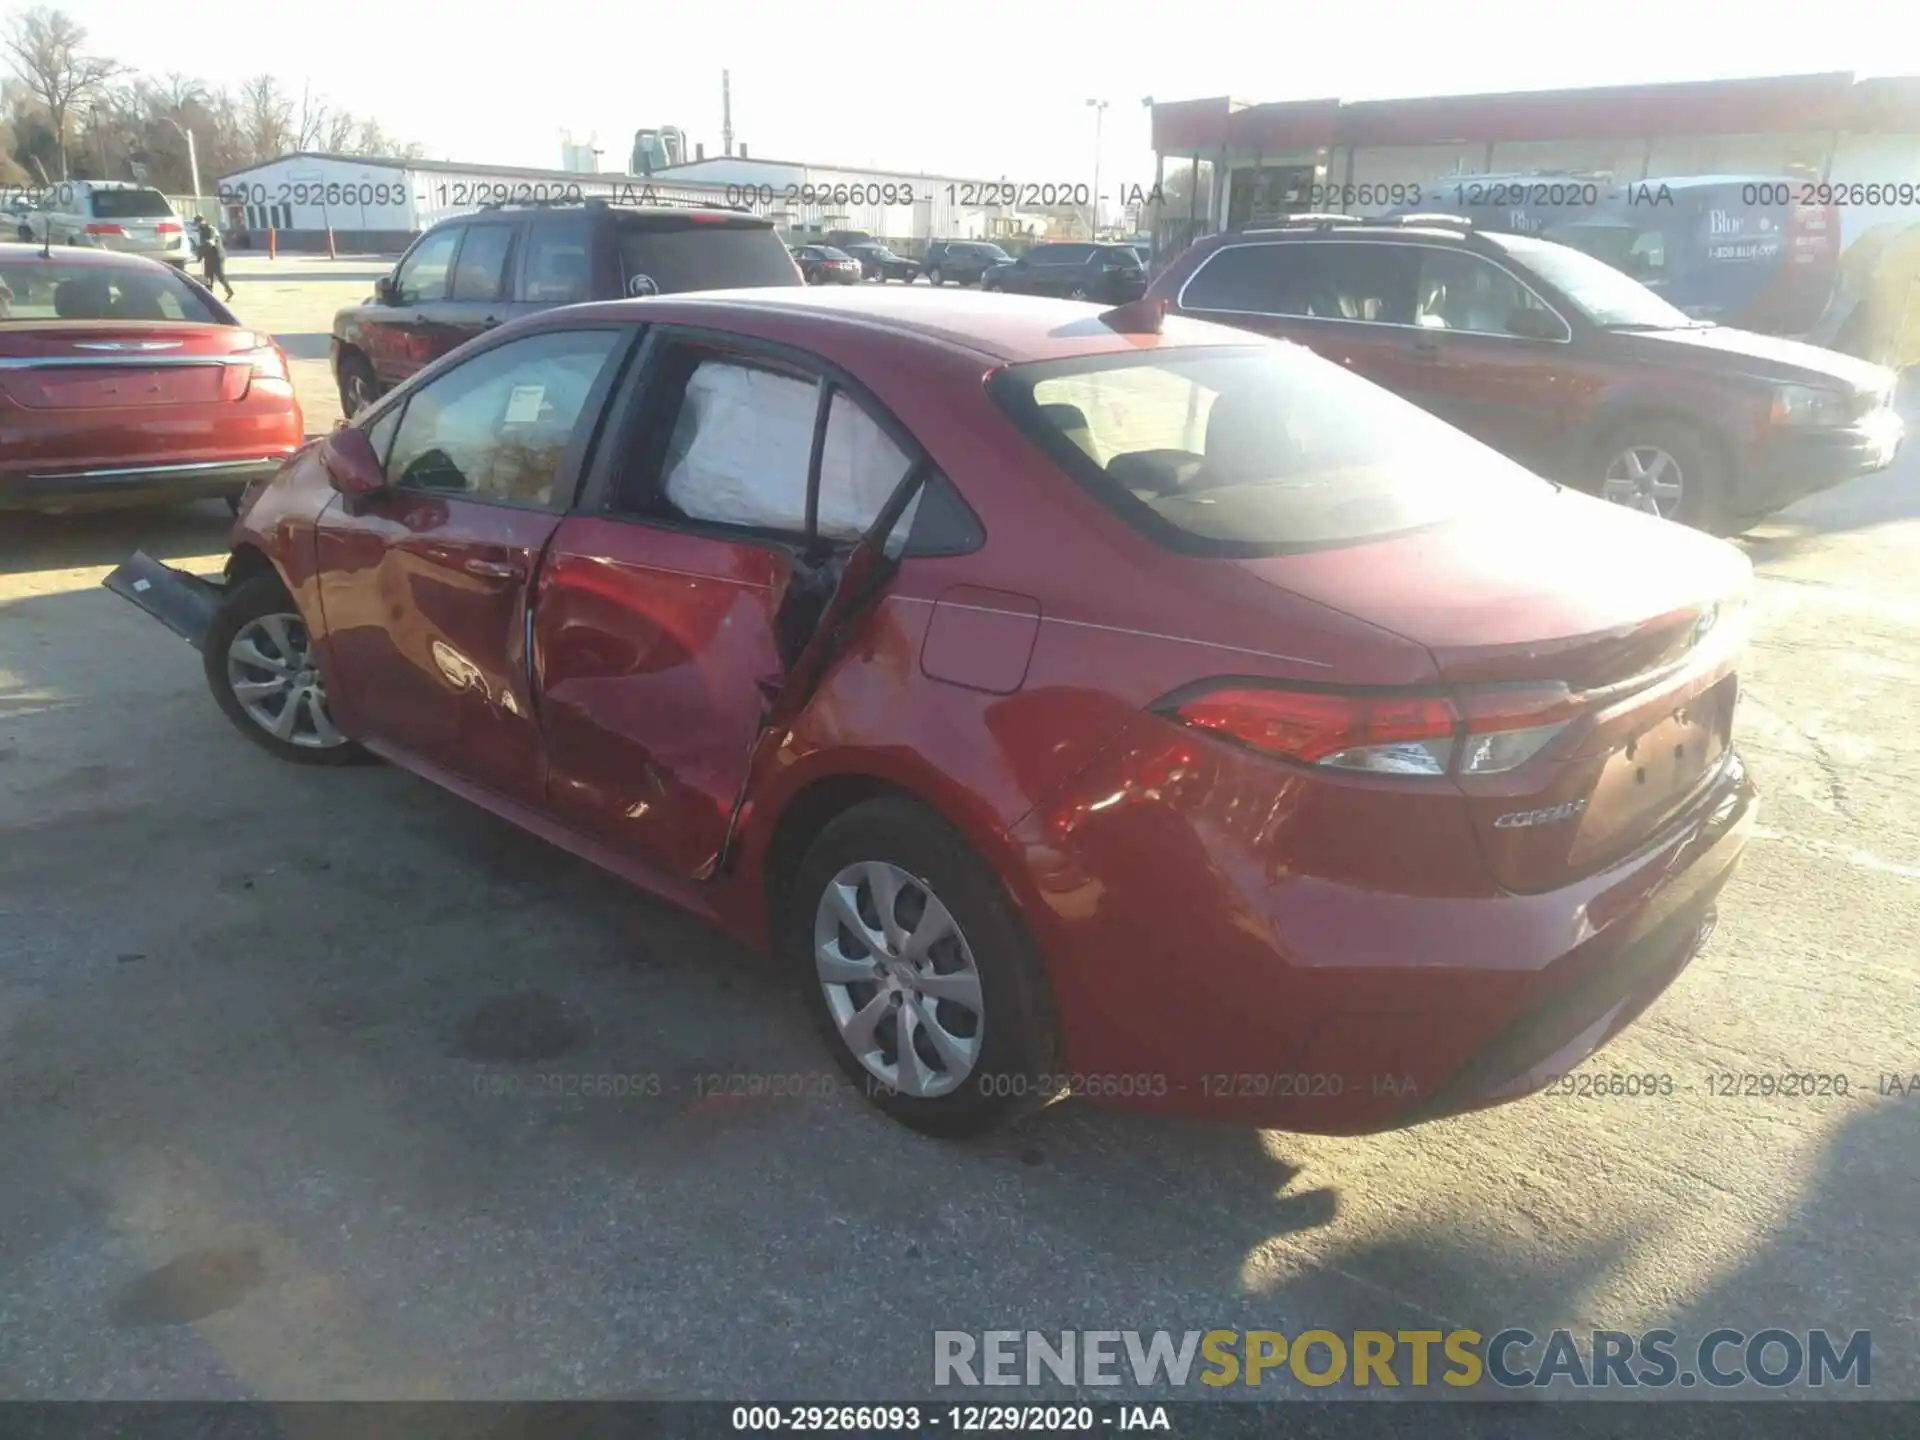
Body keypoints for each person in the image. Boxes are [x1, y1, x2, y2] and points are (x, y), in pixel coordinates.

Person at [194, 216, 234, 301]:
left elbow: (210, 243)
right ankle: (209, 296)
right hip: (208, 256)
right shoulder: (201, 230)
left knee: (220, 275)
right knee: (208, 276)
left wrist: (199, 253)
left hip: (217, 255)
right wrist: (200, 255)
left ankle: (229, 291)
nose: (197, 225)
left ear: (202, 221)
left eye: (198, 223)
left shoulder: (211, 229)